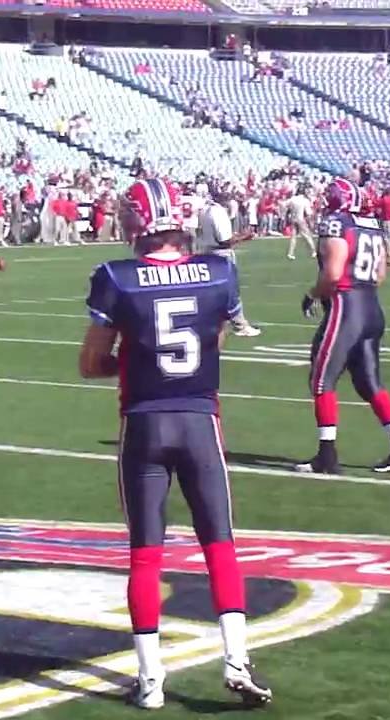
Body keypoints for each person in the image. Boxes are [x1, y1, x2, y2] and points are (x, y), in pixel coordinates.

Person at [78, 177, 271, 711]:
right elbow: (216, 339)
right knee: (220, 543)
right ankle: (236, 661)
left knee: (145, 553)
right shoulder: (218, 273)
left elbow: (91, 364)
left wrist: (139, 361)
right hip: (199, 419)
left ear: (136, 223)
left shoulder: (116, 277)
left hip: (144, 423)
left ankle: (150, 680)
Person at [296, 178, 390, 475]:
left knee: (322, 380)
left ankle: (327, 455)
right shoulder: (372, 225)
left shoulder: (336, 223)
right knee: (369, 383)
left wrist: (312, 294)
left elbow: (334, 273)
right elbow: (379, 275)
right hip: (371, 307)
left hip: (346, 309)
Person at [196, 183, 259, 337]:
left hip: (207, 252)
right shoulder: (217, 211)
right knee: (230, 291)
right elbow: (225, 240)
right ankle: (240, 324)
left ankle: (210, 323)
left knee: (212, 293)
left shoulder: (205, 210)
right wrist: (246, 236)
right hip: (221, 255)